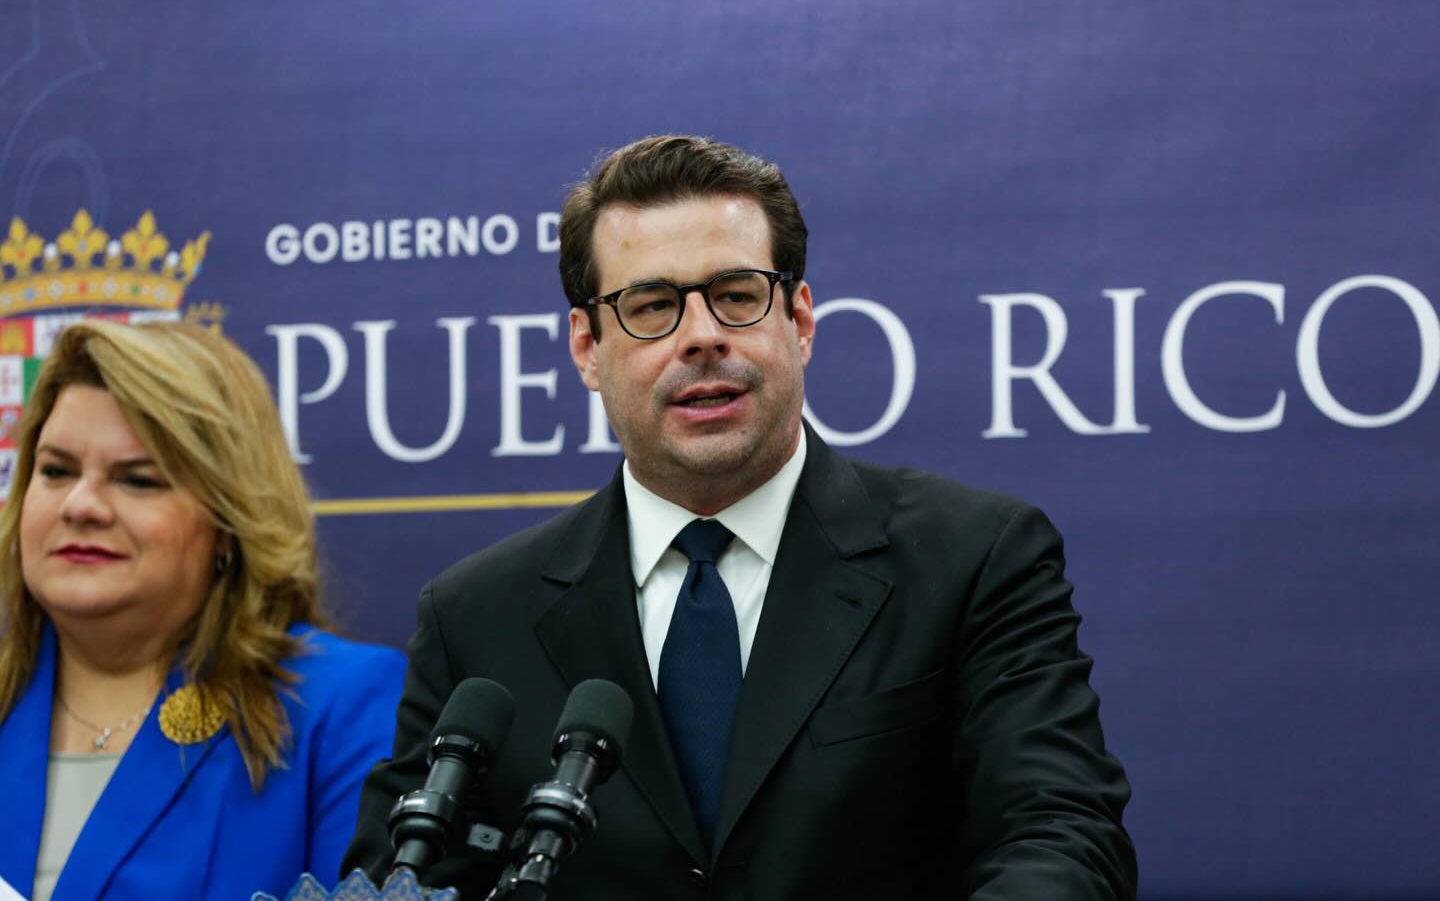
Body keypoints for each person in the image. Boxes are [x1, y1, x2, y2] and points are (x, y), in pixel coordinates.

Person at [346, 135, 1137, 898]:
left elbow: (1060, 835)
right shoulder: (477, 616)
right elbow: (406, 878)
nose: (702, 337)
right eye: (652, 305)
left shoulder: (973, 558)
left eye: (735, 295)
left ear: (800, 320)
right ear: (587, 347)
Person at [0, 319, 405, 901]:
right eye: (56, 471)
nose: (80, 505)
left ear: (227, 522)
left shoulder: (339, 707)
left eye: (137, 480)